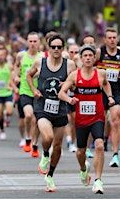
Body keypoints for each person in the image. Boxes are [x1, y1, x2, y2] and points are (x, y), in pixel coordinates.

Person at [59, 44, 114, 194]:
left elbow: (106, 84)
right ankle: (83, 169)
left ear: (94, 58)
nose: (88, 58)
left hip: (97, 116)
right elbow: (61, 93)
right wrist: (69, 100)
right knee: (80, 151)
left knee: (100, 145)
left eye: (91, 56)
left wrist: (109, 97)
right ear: (81, 59)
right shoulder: (75, 75)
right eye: (85, 56)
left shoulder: (101, 73)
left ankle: (98, 180)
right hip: (82, 118)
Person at [27, 34, 76, 192]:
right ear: (48, 48)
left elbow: (75, 86)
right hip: (42, 106)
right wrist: (34, 90)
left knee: (58, 146)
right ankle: (45, 154)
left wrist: (68, 85)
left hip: (60, 108)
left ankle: (50, 176)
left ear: (63, 49)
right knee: (47, 137)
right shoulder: (40, 63)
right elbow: (28, 75)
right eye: (53, 47)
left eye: (59, 47)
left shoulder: (70, 65)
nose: (56, 50)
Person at [95, 27, 120, 167]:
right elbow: (91, 66)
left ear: (117, 39)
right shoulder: (100, 52)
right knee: (101, 119)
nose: (112, 40)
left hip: (116, 89)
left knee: (115, 120)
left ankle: (115, 154)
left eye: (114, 38)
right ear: (105, 39)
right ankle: (102, 139)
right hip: (100, 90)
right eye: (109, 38)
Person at [13, 32, 43, 157]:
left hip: (39, 92)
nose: (32, 44)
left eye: (35, 41)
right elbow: (16, 65)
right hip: (25, 90)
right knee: (29, 115)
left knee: (37, 121)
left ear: (39, 43)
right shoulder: (21, 55)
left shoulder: (42, 57)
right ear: (27, 42)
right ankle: (28, 138)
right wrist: (16, 75)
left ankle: (34, 145)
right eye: (30, 41)